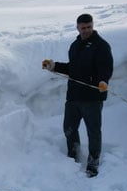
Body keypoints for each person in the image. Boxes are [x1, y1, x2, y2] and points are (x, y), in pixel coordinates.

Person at [42, 13, 113, 177]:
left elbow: (106, 69)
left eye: (89, 27)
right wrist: (54, 66)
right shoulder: (75, 45)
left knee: (93, 131)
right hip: (73, 96)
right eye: (83, 28)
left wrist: (103, 82)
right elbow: (72, 69)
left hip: (92, 98)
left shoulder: (101, 46)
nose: (86, 30)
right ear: (78, 28)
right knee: (69, 128)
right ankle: (73, 154)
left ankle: (93, 161)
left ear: (93, 26)